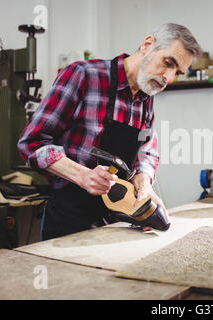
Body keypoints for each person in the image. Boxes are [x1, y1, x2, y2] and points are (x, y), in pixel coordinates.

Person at [18, 23, 202, 240]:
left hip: (115, 221)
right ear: (147, 44)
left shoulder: (146, 98)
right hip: (69, 219)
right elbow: (32, 142)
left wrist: (144, 187)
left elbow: (146, 152)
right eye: (168, 63)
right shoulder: (83, 75)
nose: (168, 78)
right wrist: (84, 176)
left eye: (177, 73)